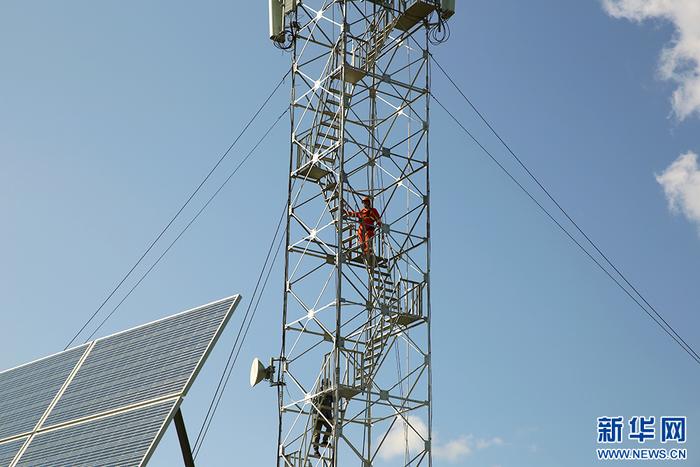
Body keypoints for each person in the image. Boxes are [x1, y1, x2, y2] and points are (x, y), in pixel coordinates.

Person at [311, 378, 334, 456]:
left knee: (330, 427)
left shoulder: (330, 394)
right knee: (317, 434)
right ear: (323, 384)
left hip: (326, 416)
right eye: (327, 384)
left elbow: (335, 399)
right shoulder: (319, 392)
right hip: (318, 415)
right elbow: (315, 402)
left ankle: (325, 440)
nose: (328, 386)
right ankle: (316, 450)